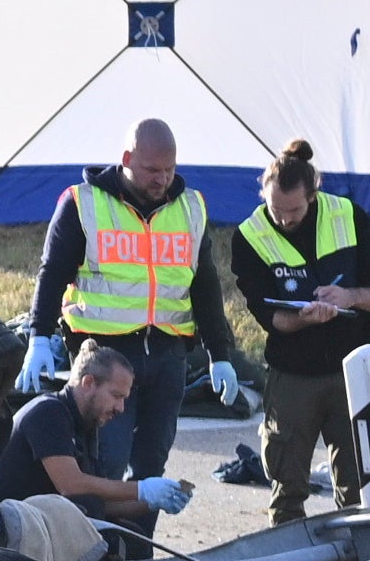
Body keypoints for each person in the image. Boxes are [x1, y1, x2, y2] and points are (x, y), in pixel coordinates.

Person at [23, 119, 245, 506]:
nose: (162, 179)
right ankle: (101, 550)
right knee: (105, 463)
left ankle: (137, 553)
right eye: (152, 170)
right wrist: (39, 335)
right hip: (105, 356)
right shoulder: (84, 204)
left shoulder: (190, 207)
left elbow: (205, 284)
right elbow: (52, 272)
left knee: (151, 469)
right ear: (127, 159)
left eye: (169, 170)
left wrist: (220, 355)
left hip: (167, 355)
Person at [221, 138, 370, 524]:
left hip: (352, 371)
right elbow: (272, 319)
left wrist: (348, 297)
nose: (284, 219)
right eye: (276, 210)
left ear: (313, 194)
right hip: (294, 374)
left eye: (295, 210)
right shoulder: (250, 236)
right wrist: (307, 317)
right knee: (286, 487)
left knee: (361, 487)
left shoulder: (348, 215)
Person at [0, 341, 193, 557]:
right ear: (88, 383)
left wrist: (153, 501)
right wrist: (143, 489)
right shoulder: (48, 413)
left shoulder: (87, 424)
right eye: (117, 396)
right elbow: (71, 485)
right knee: (101, 539)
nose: (121, 408)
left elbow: (103, 504)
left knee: (134, 541)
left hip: (33, 523)